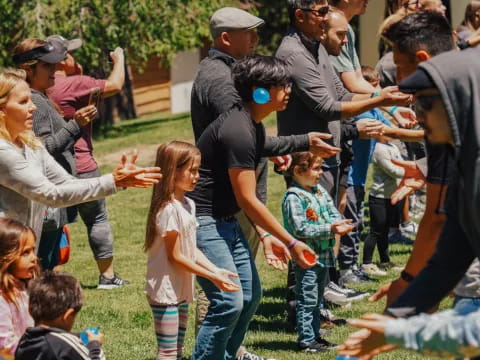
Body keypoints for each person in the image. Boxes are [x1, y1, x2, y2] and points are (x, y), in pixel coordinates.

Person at [188, 54, 338, 360]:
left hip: (223, 220)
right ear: (259, 91)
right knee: (228, 302)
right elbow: (247, 199)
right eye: (281, 85)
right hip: (203, 222)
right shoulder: (238, 129)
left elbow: (265, 146)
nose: (288, 90)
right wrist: (290, 241)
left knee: (250, 296)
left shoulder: (248, 122)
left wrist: (306, 141)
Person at [338, 46, 480, 359]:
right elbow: (451, 255)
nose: (418, 115)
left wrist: (402, 331)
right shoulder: (465, 163)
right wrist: (398, 313)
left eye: (428, 103)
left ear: (464, 100)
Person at [0, 69, 161, 243]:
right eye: (23, 102)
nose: (33, 107)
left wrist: (117, 182)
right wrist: (112, 181)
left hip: (24, 247)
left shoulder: (30, 143)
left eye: (31, 100)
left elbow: (66, 182)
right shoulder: (3, 151)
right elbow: (51, 194)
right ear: (2, 109)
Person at [367, 10, 459, 307]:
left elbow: (436, 215)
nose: (401, 84)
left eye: (400, 69)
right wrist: (424, 167)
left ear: (421, 59)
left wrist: (409, 282)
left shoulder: (446, 104)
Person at [144, 140, 240, 359]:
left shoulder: (188, 204)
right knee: (168, 352)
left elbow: (191, 248)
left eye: (198, 170)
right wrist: (211, 276)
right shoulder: (168, 210)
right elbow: (176, 256)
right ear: (173, 171)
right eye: (192, 170)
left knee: (177, 351)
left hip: (180, 288)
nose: (197, 176)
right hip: (165, 291)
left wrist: (216, 270)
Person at [46, 35, 127, 289]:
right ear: (61, 58)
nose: (74, 58)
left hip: (50, 168)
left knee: (54, 225)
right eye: (70, 53)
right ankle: (107, 277)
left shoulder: (35, 88)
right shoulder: (72, 83)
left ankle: (51, 276)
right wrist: (119, 58)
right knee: (97, 219)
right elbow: (115, 85)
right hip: (81, 165)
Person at [12, 38, 97, 270]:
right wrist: (75, 125)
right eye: (48, 66)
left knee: (48, 262)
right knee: (41, 264)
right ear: (28, 69)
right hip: (46, 203)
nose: (56, 70)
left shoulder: (40, 98)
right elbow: (42, 150)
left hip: (53, 200)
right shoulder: (33, 103)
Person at [282, 152, 353, 352]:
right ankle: (306, 341)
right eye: (316, 168)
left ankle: (315, 336)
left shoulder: (319, 191)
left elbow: (332, 212)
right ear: (298, 171)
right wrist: (330, 229)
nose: (321, 173)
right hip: (306, 258)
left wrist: (337, 222)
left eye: (321, 168)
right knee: (307, 299)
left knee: (318, 299)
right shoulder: (294, 197)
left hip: (324, 256)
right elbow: (300, 228)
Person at [15, 271, 105, 359]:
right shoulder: (65, 346)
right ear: (68, 316)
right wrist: (95, 345)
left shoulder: (25, 341)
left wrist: (75, 336)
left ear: (30, 311)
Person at [362, 136, 405, 276]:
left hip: (390, 196)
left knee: (385, 231)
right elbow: (393, 171)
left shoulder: (393, 147)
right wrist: (414, 171)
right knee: (375, 231)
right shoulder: (379, 150)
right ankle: (367, 264)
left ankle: (385, 261)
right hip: (378, 198)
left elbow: (401, 164)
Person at [0, 218, 38, 360]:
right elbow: (4, 345)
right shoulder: (2, 297)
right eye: (26, 253)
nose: (34, 258)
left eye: (33, 250)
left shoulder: (27, 287)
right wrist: (39, 351)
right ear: (5, 257)